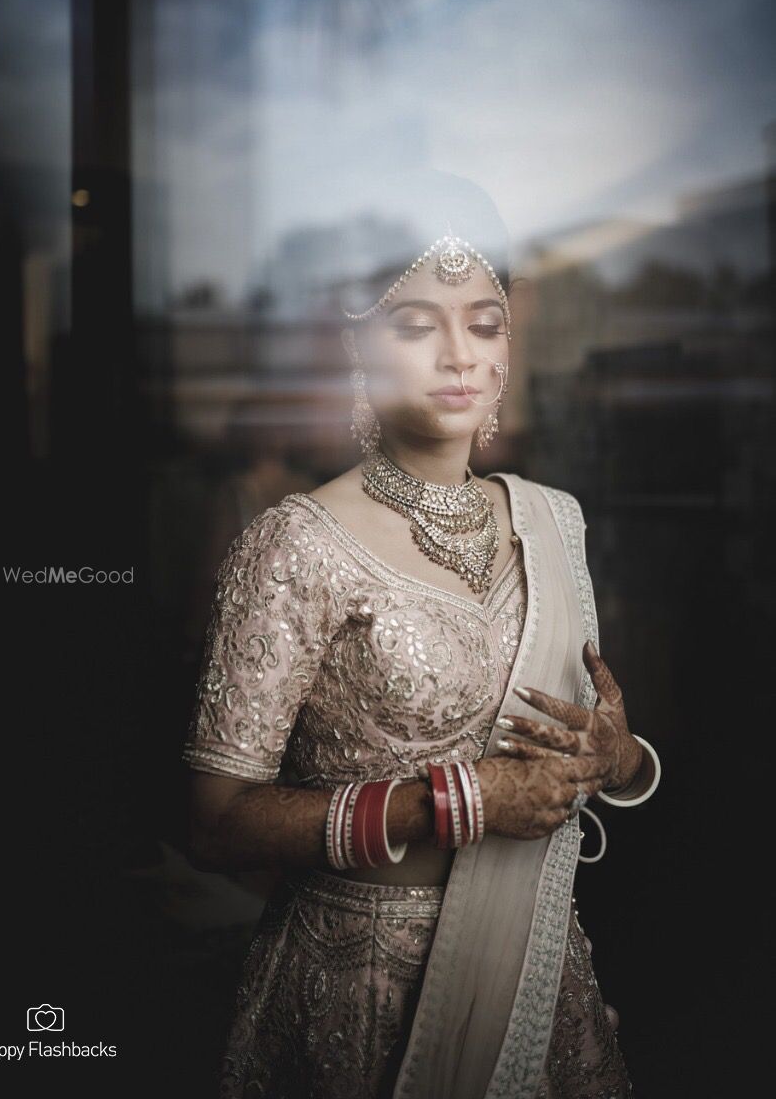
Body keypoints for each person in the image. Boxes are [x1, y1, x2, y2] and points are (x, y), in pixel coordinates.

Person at [181, 167, 661, 1098]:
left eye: (483, 323)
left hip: (534, 969)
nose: (458, 355)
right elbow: (213, 823)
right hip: (358, 994)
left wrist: (620, 758)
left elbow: (597, 758)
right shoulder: (293, 546)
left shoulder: (552, 522)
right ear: (358, 342)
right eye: (416, 324)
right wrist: (453, 805)